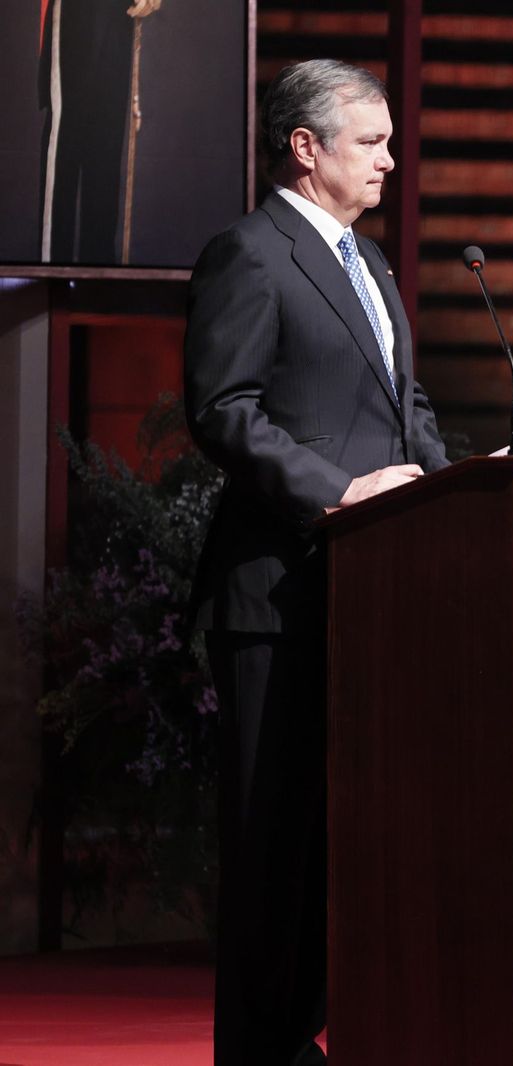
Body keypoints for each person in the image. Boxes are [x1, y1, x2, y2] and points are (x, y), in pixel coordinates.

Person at [184, 59, 450, 1066]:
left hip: (373, 594)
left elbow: (402, 408)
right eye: (373, 140)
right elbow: (224, 411)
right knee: (275, 844)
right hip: (280, 592)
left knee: (341, 840)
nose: (392, 157)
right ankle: (262, 1050)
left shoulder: (369, 264)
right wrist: (336, 490)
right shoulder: (249, 255)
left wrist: (453, 483)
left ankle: (312, 1037)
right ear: (306, 146)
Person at [37, 0, 163, 263]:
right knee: (66, 142)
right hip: (74, 9)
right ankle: (52, 278)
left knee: (105, 149)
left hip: (116, 10)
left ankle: (97, 278)